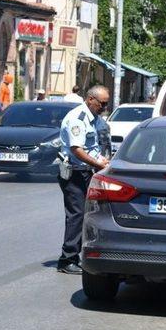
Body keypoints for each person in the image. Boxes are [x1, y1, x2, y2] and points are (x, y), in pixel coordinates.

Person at [57, 85, 111, 274]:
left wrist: (101, 160)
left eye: (106, 103)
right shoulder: (78, 119)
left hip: (87, 171)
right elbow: (76, 150)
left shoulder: (93, 118)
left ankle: (77, 255)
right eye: (102, 103)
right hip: (76, 173)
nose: (104, 107)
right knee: (77, 215)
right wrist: (98, 163)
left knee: (88, 214)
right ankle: (67, 259)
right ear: (90, 99)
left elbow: (92, 147)